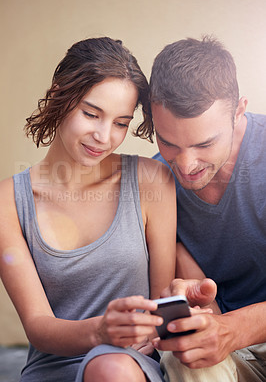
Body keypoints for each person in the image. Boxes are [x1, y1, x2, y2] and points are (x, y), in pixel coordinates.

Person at [0, 37, 177, 382]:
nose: (103, 136)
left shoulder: (151, 180)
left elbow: (163, 303)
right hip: (52, 367)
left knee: (109, 369)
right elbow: (38, 326)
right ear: (58, 96)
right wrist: (100, 331)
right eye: (91, 114)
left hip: (129, 364)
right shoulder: (8, 201)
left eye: (121, 123)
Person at [137, 36, 266, 380]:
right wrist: (187, 306)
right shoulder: (154, 182)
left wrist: (233, 328)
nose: (186, 164)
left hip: (246, 332)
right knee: (183, 357)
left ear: (238, 110)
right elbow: (173, 289)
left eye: (204, 143)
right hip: (225, 351)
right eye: (167, 142)